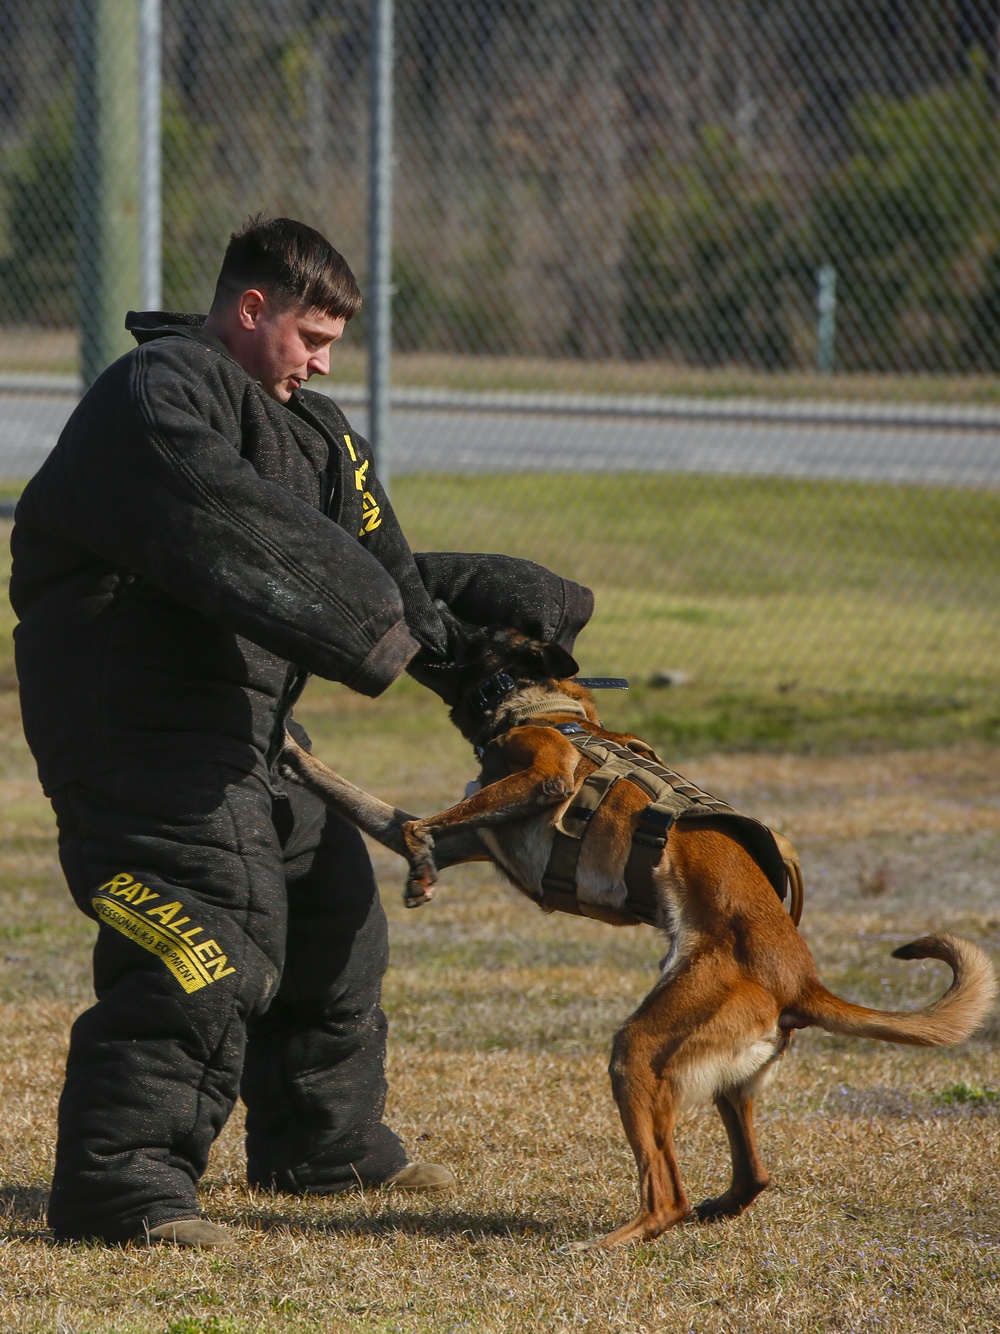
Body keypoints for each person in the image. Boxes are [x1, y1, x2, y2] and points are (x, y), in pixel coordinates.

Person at [10, 216, 593, 1248]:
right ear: (250, 309)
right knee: (209, 941)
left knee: (333, 921)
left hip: (245, 737)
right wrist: (373, 628)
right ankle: (124, 1189)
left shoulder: (317, 431)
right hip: (135, 738)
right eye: (311, 337)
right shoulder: (159, 397)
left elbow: (388, 576)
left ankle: (320, 1149)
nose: (323, 362)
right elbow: (237, 527)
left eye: (333, 344)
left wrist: (486, 651)